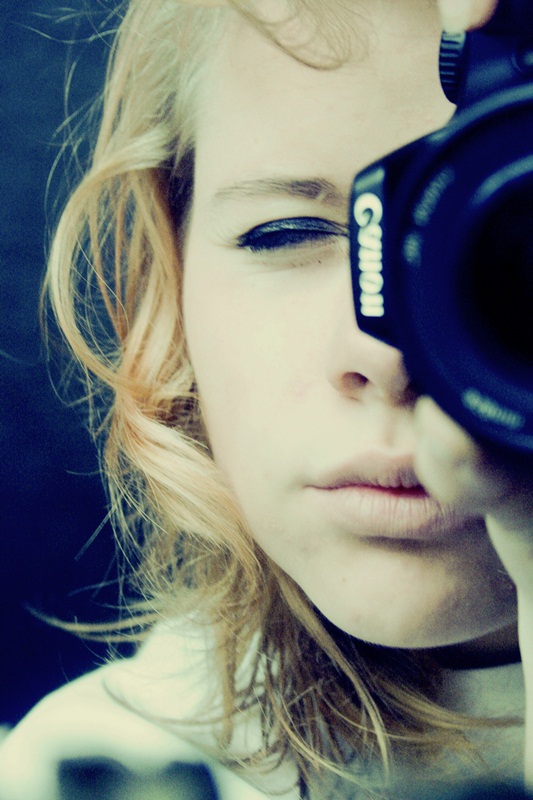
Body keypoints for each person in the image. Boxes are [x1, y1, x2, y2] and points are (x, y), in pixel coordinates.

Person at [1, 0, 532, 797]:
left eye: (511, 240)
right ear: (168, 282)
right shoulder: (101, 766)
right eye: (287, 233)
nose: (385, 355)